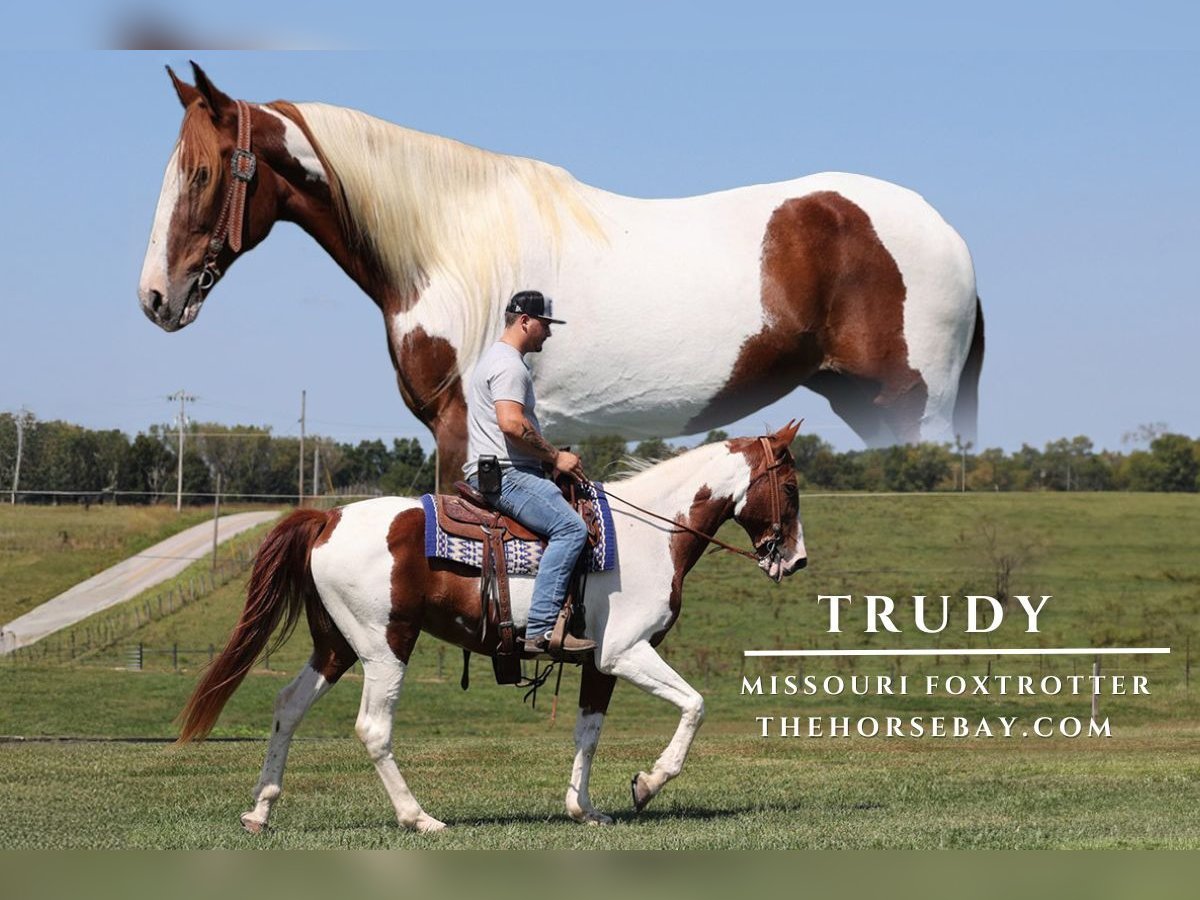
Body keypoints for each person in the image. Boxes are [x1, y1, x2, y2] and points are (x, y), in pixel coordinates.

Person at [464, 290, 597, 657]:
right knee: (571, 528)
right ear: (525, 321)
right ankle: (540, 629)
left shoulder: (496, 359)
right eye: (545, 325)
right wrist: (556, 458)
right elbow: (510, 424)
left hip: (504, 469)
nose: (548, 334)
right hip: (507, 475)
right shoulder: (509, 366)